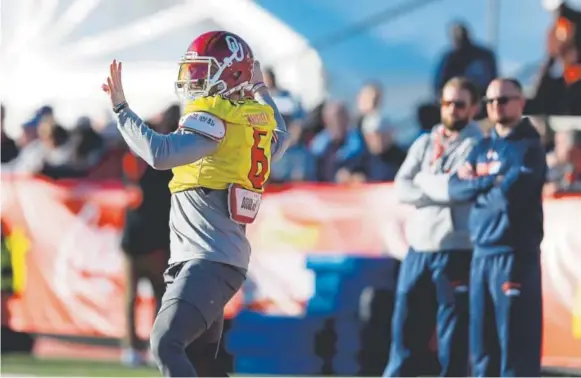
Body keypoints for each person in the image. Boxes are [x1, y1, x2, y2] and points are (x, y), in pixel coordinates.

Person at [101, 31, 288, 377]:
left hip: (208, 259)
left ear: (230, 74)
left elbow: (159, 154)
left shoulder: (215, 119)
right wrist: (261, 90)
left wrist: (122, 110)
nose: (194, 78)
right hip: (210, 258)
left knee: (165, 342)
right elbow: (282, 134)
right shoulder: (248, 125)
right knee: (204, 365)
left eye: (203, 71)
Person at [384, 77, 483, 377]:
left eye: (459, 104)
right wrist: (435, 189)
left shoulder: (477, 144)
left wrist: (424, 182)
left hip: (455, 249)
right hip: (418, 249)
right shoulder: (426, 141)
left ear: (473, 108)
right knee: (403, 336)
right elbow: (401, 187)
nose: (452, 109)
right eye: (447, 103)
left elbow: (458, 189)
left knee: (453, 341)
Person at [448, 78, 546, 377]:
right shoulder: (482, 146)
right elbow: (454, 189)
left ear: (521, 102)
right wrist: (491, 179)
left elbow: (510, 195)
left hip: (513, 255)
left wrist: (477, 183)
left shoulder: (528, 146)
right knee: (482, 349)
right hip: (481, 254)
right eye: (490, 101)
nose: (496, 107)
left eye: (503, 100)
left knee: (515, 351)